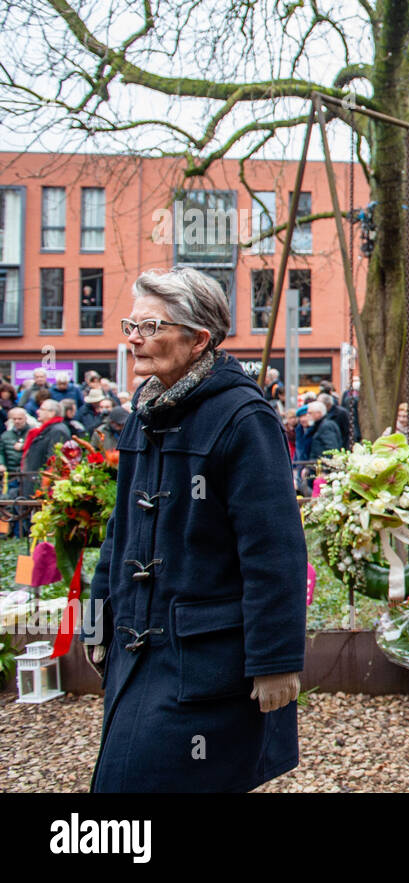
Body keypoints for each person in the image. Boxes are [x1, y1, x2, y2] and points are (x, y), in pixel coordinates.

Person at [84, 267, 306, 792]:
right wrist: (98, 621)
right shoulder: (143, 413)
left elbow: (272, 546)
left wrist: (276, 659)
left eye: (149, 326)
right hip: (139, 650)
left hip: (204, 660)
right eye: (129, 325)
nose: (133, 338)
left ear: (198, 338)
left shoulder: (242, 416)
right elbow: (119, 531)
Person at [21, 398, 70, 496]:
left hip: (42, 485)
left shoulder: (57, 431)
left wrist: (44, 485)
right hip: (33, 481)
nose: (37, 411)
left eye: (42, 409)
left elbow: (54, 461)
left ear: (52, 413)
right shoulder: (46, 430)